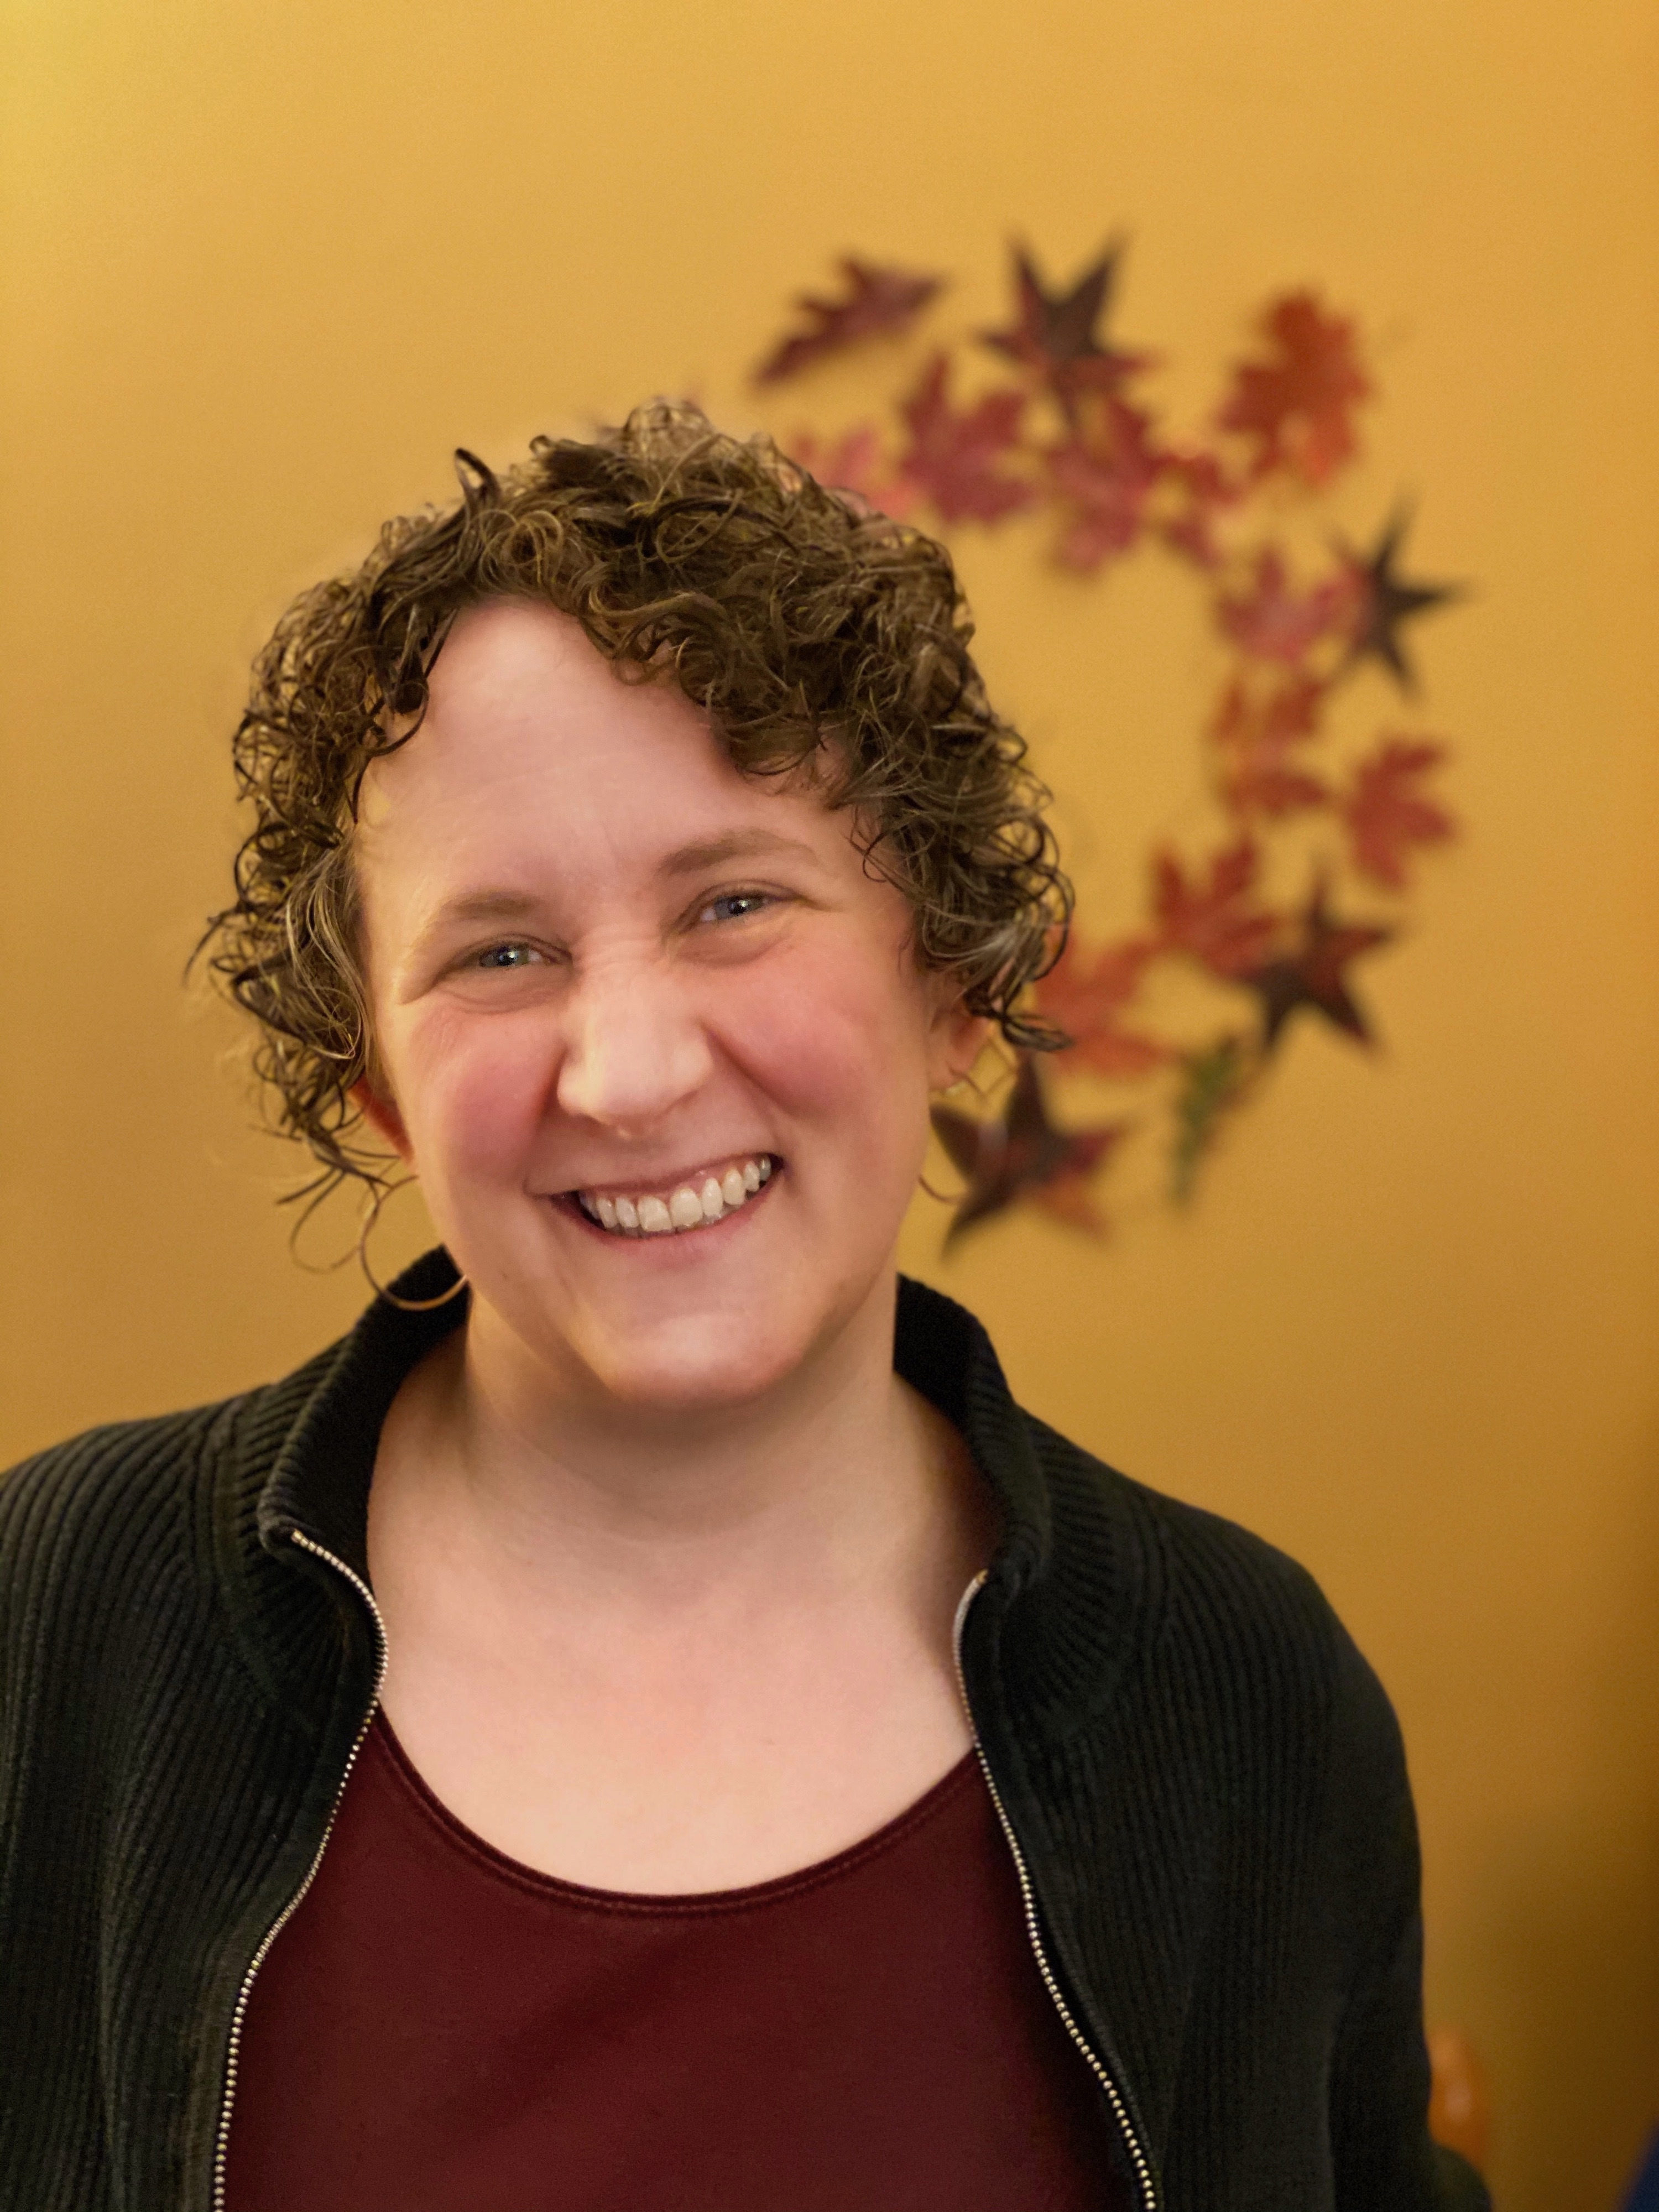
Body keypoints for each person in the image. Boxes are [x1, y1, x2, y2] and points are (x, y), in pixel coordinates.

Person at [0, 406, 1487, 2211]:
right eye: (500, 951)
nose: (626, 1071)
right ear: (377, 1084)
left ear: (951, 981)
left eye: (733, 903)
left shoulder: (1246, 1695)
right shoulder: (60, 1617)